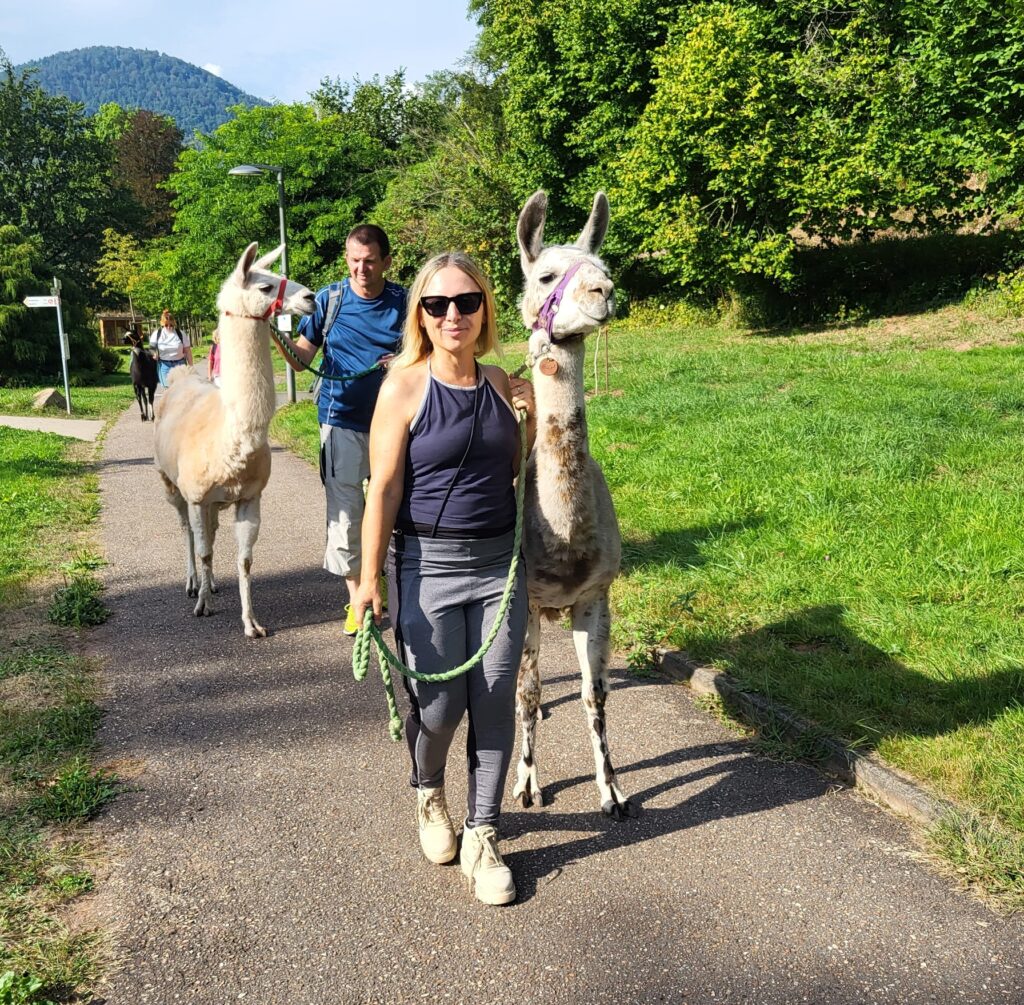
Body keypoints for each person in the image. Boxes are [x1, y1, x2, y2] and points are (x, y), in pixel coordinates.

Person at [353, 252, 536, 906]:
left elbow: (527, 474)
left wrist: (530, 411)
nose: (452, 314)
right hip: (426, 567)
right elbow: (383, 488)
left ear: (485, 308)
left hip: (498, 569)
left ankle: (485, 833)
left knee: (492, 701)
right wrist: (367, 577)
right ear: (421, 316)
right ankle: (429, 791)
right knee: (440, 706)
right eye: (437, 304)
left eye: (466, 302)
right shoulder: (402, 387)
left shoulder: (504, 384)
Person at [274, 225, 406, 634]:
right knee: (346, 514)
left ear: (386, 261)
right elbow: (301, 360)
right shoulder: (329, 300)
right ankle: (358, 601)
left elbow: (428, 354)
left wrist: (401, 363)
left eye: (369, 261)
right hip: (341, 421)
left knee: (398, 509)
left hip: (396, 422)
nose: (361, 269)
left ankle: (392, 586)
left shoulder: (407, 302)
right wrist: (274, 333)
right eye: (354, 261)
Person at [149, 310, 193, 387]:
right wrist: (154, 354)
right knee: (168, 390)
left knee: (181, 388)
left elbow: (188, 351)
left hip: (180, 365)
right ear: (162, 324)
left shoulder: (180, 334)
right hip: (164, 365)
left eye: (171, 325)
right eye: (166, 325)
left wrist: (191, 366)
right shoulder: (157, 334)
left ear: (174, 323)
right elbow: (151, 348)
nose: (169, 327)